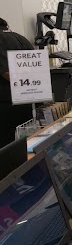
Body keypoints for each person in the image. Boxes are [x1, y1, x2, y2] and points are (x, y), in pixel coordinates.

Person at [0, 17, 35, 148]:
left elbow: (6, 72)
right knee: (25, 142)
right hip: (27, 101)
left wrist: (20, 82)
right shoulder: (21, 38)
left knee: (7, 147)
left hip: (6, 105)